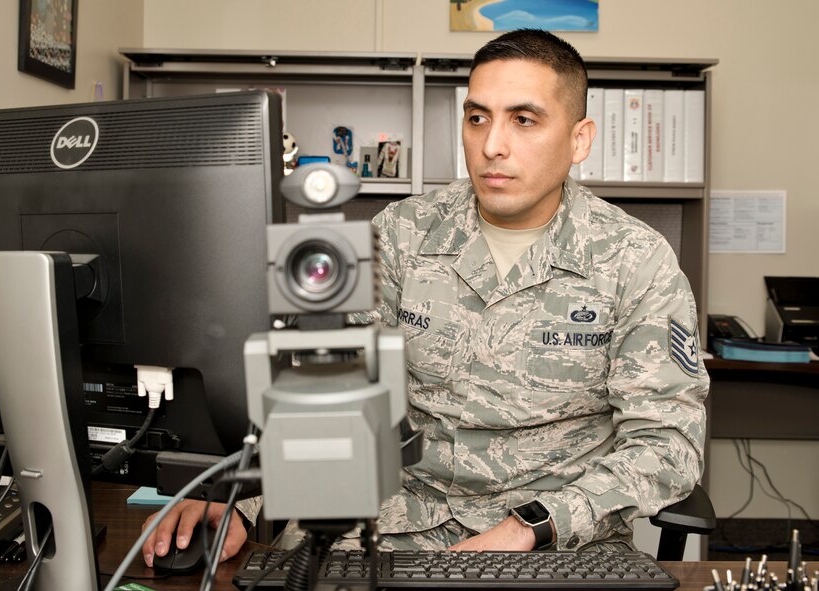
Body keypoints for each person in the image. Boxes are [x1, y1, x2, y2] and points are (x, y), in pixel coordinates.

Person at [142, 28, 709, 567]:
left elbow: (667, 446)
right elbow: (327, 385)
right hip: (393, 528)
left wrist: (529, 527)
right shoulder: (402, 234)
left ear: (579, 139)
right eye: (477, 117)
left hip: (553, 544)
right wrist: (242, 498)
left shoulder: (636, 261)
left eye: (524, 120)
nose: (492, 145)